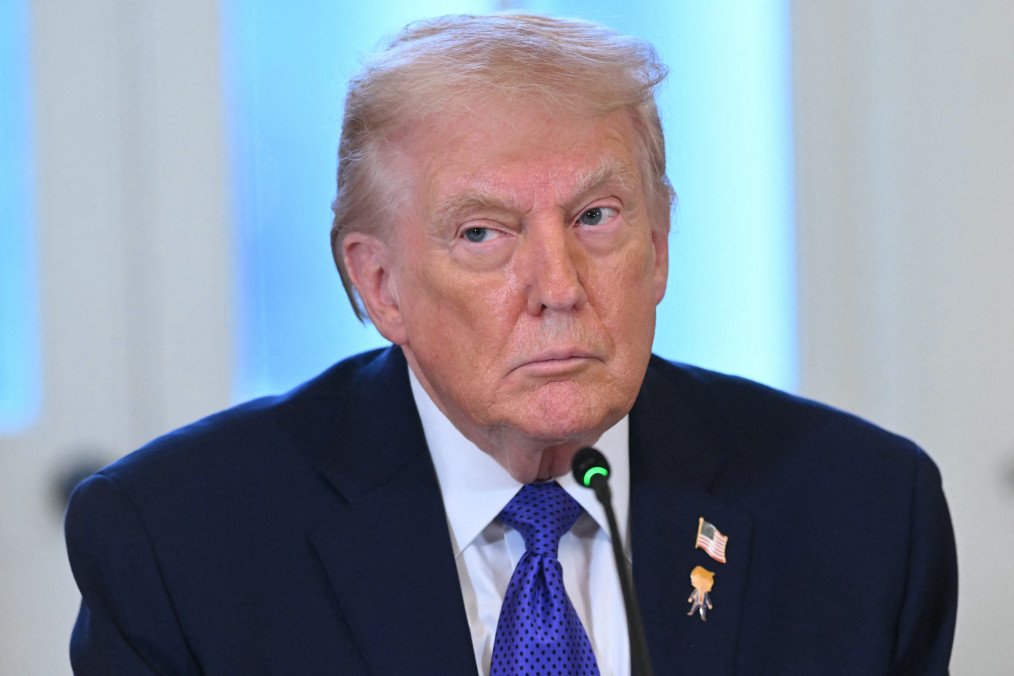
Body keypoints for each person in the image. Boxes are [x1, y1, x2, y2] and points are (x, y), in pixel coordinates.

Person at [64, 13, 957, 675]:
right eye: (484, 234)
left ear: (657, 248)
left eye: (596, 218)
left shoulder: (866, 513)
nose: (559, 287)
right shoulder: (179, 543)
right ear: (379, 286)